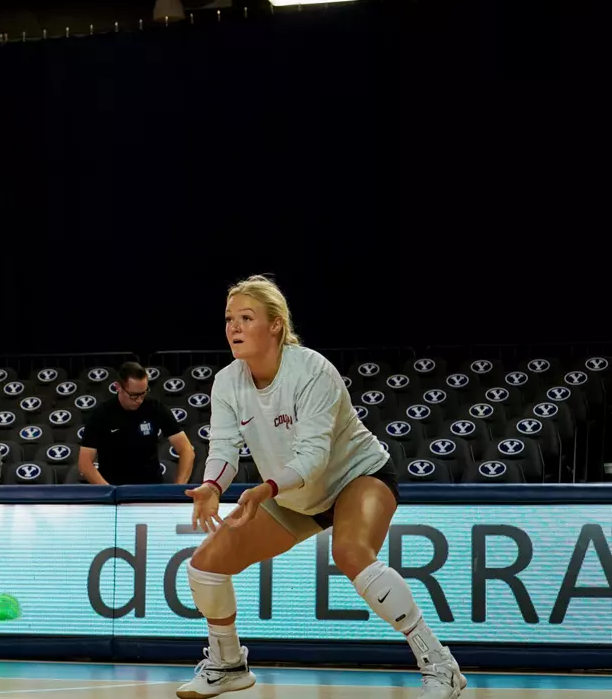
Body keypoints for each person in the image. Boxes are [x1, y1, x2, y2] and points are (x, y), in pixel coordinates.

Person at [179, 276, 463, 699]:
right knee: (205, 565)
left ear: (275, 325)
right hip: (293, 497)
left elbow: (313, 457)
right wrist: (212, 486)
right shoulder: (227, 382)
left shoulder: (312, 370)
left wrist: (265, 489)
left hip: (356, 476)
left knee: (350, 554)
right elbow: (223, 449)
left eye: (246, 317)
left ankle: (441, 666)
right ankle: (228, 664)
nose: (233, 327)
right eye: (228, 319)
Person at [79, 361, 194, 486]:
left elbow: (186, 450)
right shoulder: (101, 414)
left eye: (143, 393)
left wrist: (179, 486)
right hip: (114, 489)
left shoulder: (156, 408)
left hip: (151, 489)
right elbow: (85, 463)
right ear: (118, 387)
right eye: (134, 395)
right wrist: (110, 491)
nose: (139, 400)